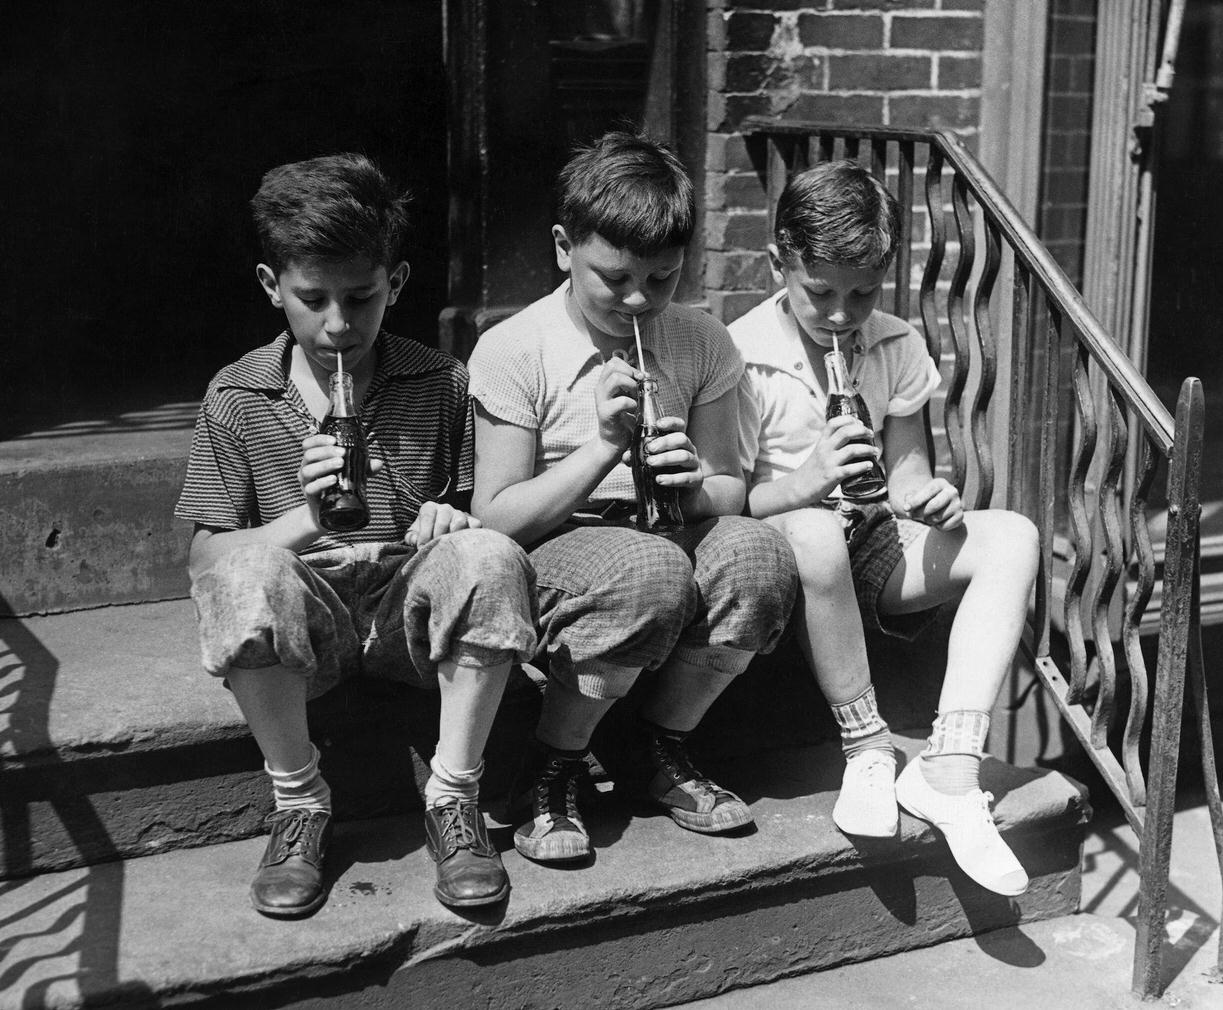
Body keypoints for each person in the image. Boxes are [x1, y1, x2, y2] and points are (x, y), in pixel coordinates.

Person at [175, 154, 537, 917]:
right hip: (310, 631)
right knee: (242, 574)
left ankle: (453, 796)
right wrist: (306, 518)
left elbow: (479, 515)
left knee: (492, 554)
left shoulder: (441, 381)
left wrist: (453, 519)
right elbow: (204, 558)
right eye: (313, 299)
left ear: (396, 283)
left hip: (409, 618)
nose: (338, 324)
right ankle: (300, 799)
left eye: (361, 297)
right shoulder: (238, 393)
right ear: (273, 287)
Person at [468, 131, 798, 865]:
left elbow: (729, 491)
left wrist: (691, 484)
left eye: (663, 279)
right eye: (613, 279)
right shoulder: (514, 347)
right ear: (563, 247)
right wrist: (603, 448)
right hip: (562, 548)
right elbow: (497, 517)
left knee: (760, 558)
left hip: (667, 533)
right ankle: (551, 765)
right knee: (645, 570)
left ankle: (662, 745)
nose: (638, 300)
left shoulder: (701, 341)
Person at [730, 159, 1039, 897]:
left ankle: (948, 769)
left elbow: (902, 479)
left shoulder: (896, 345)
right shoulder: (739, 353)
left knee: (1014, 536)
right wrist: (807, 479)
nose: (842, 314)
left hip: (867, 545)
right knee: (813, 531)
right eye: (821, 292)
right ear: (780, 262)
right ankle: (868, 748)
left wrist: (930, 496)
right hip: (785, 561)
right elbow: (726, 505)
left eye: (863, 292)